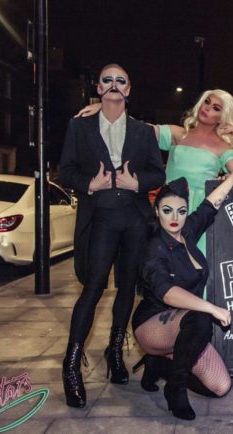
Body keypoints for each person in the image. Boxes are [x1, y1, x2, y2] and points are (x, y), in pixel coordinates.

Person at [59, 64, 166, 408]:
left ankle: (115, 351)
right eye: (108, 79)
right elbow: (66, 171)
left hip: (134, 218)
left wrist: (139, 183)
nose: (114, 84)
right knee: (93, 287)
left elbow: (158, 173)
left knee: (127, 287)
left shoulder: (142, 131)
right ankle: (71, 366)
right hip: (100, 217)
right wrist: (90, 184)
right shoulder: (79, 126)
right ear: (99, 87)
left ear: (129, 90)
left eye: (121, 80)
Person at [131, 163, 233, 421]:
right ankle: (176, 388)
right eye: (167, 210)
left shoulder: (187, 233)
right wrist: (211, 308)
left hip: (187, 327)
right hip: (153, 323)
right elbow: (166, 292)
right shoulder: (154, 248)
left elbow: (209, 206)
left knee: (219, 387)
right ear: (157, 212)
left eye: (181, 211)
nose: (175, 217)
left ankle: (160, 365)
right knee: (201, 317)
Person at [78, 90, 233, 255]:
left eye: (216, 108)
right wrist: (108, 109)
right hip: (169, 204)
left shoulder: (223, 147)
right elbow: (137, 129)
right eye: (207, 102)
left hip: (199, 211)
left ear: (222, 117)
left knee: (194, 260)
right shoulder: (179, 134)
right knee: (161, 259)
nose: (207, 108)